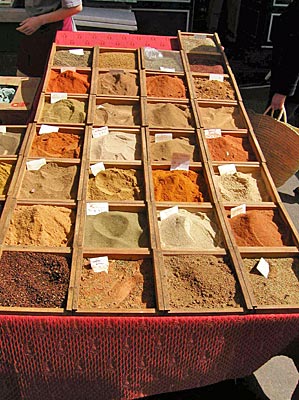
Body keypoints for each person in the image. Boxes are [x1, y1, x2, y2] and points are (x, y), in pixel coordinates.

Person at [16, 0, 82, 77]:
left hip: (58, 32)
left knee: (57, 78)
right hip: (33, 29)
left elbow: (75, 8)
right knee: (25, 75)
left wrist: (40, 20)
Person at [269, 0, 299, 127]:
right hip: (286, 77)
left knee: (275, 129)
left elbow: (295, 56)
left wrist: (283, 92)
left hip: (290, 88)